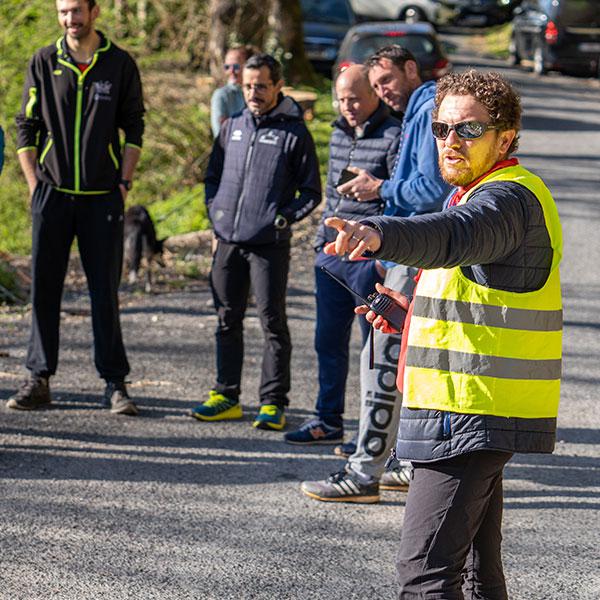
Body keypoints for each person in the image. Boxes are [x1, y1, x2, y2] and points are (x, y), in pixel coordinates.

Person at [323, 70, 562, 598]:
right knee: (475, 574)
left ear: (506, 137)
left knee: (425, 576)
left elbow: (453, 238)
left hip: (468, 415)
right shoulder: (475, 196)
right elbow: (481, 306)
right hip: (466, 408)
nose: (451, 142)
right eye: (440, 129)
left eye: (468, 130)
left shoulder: (507, 200)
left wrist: (380, 232)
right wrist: (410, 317)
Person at [300, 46, 450, 499]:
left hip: (414, 253)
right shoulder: (422, 110)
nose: (383, 92)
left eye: (386, 81)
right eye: (377, 85)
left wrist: (380, 187)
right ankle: (403, 463)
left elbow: (430, 188)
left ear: (410, 69)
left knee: (380, 360)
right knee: (407, 363)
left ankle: (363, 473)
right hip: (416, 251)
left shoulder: (426, 109)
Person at [7, 0, 144, 415]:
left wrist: (123, 182)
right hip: (51, 193)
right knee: (45, 289)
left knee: (105, 292)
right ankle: (39, 377)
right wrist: (34, 184)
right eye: (64, 12)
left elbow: (134, 124)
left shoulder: (118, 63)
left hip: (102, 196)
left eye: (77, 11)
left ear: (95, 11)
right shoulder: (44, 60)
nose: (71, 19)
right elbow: (26, 125)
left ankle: (115, 383)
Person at [190, 53, 321, 431]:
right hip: (227, 240)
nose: (253, 92)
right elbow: (212, 176)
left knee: (272, 322)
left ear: (278, 86)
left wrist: (281, 218)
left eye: (261, 86)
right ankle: (226, 395)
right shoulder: (232, 125)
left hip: (268, 244)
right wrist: (215, 212)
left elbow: (311, 191)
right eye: (248, 85)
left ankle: (273, 402)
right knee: (226, 319)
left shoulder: (294, 133)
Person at [283, 65, 402, 446]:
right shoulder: (336, 131)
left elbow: (397, 197)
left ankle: (374, 432)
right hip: (330, 255)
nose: (348, 106)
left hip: (369, 259)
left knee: (375, 350)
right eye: (342, 99)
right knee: (327, 340)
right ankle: (327, 419)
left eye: (355, 98)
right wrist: (320, 244)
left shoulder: (394, 133)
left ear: (374, 95)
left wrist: (385, 254)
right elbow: (332, 195)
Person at [210, 45, 252, 138]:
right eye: (227, 67)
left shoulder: (257, 93)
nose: (231, 71)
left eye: (236, 66)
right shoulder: (222, 95)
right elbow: (220, 135)